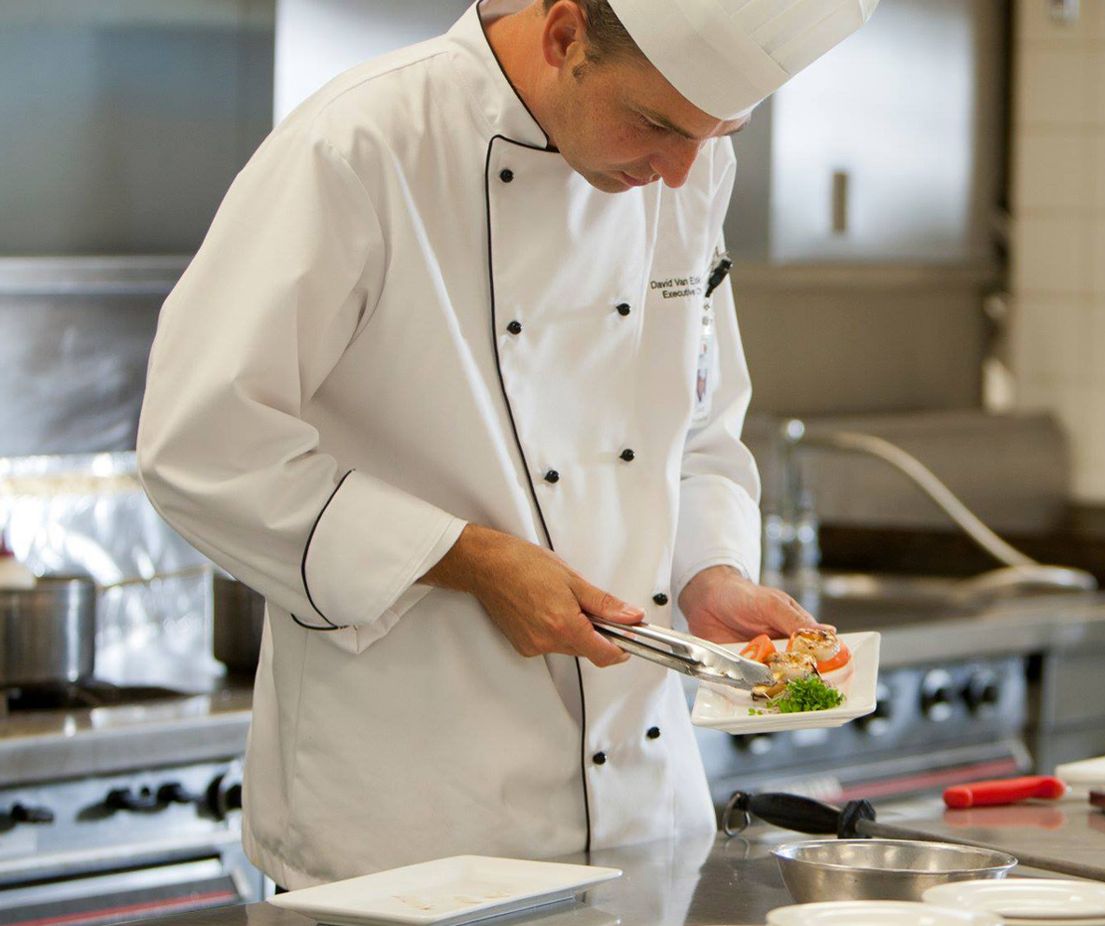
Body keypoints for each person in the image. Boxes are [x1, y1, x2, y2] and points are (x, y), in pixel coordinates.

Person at [136, 0, 876, 888]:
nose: (682, 173)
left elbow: (697, 426)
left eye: (719, 133)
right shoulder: (362, 145)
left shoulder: (683, 163)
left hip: (646, 828)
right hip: (411, 832)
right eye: (657, 124)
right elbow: (202, 442)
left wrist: (709, 570)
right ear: (565, 35)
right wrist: (470, 557)